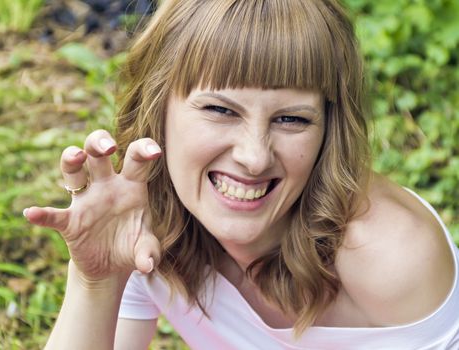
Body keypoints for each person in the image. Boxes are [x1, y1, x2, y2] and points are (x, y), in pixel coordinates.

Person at [23, 0, 459, 349]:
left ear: (328, 131)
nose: (254, 157)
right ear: (157, 109)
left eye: (292, 120)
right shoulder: (142, 216)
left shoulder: (392, 260)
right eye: (220, 110)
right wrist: (94, 281)